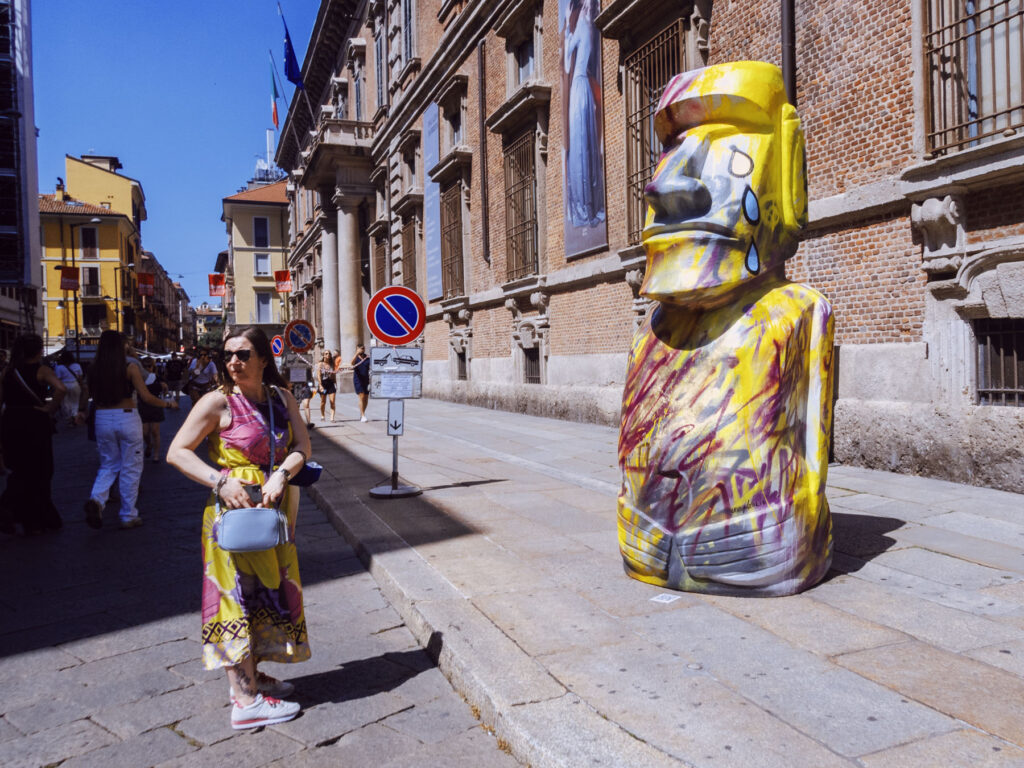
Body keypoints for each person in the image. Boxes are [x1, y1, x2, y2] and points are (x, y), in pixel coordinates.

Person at [167, 326, 312, 730]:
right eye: (228, 354)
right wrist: (220, 481)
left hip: (274, 511)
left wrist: (283, 474)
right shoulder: (217, 402)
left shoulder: (281, 399)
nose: (234, 361)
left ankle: (252, 677)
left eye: (243, 354)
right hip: (231, 516)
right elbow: (176, 452)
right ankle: (246, 701)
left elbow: (303, 447)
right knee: (233, 598)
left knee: (265, 592)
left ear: (264, 359)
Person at [79, 331, 179, 530]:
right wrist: (168, 404)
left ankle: (97, 500)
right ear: (120, 346)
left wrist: (81, 412)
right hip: (126, 416)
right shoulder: (130, 367)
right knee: (131, 467)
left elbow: (86, 394)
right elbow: (146, 397)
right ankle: (128, 514)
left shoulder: (93, 369)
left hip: (102, 418)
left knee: (108, 464)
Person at [0, 333, 66, 535]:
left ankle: (18, 513)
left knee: (20, 469)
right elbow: (61, 388)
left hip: (11, 421)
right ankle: (37, 518)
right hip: (34, 421)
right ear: (39, 351)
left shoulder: (7, 372)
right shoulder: (42, 370)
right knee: (41, 469)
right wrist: (50, 408)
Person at [138, 357, 168, 463]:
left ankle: (156, 455)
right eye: (145, 366)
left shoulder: (158, 378)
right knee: (144, 432)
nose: (148, 368)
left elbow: (165, 391)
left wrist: (164, 388)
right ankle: (149, 445)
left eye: (149, 366)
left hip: (155, 405)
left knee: (155, 431)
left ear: (153, 367)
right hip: (142, 405)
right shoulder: (138, 378)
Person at [53, 349, 84, 427]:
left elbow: (58, 379)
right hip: (75, 385)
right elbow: (80, 377)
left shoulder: (59, 367)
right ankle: (74, 416)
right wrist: (81, 385)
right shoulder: (77, 365)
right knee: (75, 402)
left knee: (65, 403)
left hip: (64, 385)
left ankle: (69, 419)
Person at [350, 344, 370, 422]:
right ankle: (363, 415)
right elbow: (351, 363)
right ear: (357, 349)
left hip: (366, 380)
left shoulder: (367, 358)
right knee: (361, 396)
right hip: (358, 380)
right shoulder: (356, 358)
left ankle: (362, 413)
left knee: (366, 398)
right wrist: (356, 354)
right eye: (360, 348)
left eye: (363, 348)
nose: (362, 350)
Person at [315, 350, 337, 422]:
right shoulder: (320, 364)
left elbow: (334, 374)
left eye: (329, 354)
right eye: (326, 354)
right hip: (323, 384)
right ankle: (322, 415)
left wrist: (335, 383)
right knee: (323, 402)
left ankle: (332, 418)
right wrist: (320, 385)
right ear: (323, 355)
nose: (328, 355)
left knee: (332, 401)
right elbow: (318, 375)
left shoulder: (332, 364)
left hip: (330, 383)